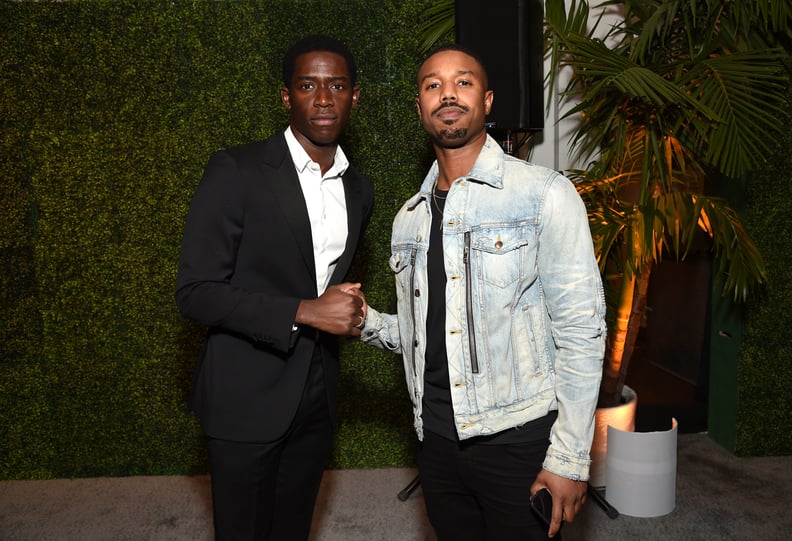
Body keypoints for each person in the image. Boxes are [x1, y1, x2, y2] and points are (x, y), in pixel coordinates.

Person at [359, 44, 606, 540]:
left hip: (519, 440)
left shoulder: (543, 194)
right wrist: (364, 320)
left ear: (488, 100)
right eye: (432, 85)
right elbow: (422, 332)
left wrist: (570, 457)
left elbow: (582, 329)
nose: (447, 93)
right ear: (419, 106)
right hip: (436, 442)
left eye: (463, 81)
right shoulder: (408, 219)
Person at [175, 35, 373, 541]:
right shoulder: (236, 170)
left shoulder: (358, 188)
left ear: (355, 96)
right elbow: (195, 291)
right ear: (287, 96)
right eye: (308, 85)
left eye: (337, 85)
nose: (324, 98)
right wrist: (304, 311)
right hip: (245, 392)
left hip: (317, 393)